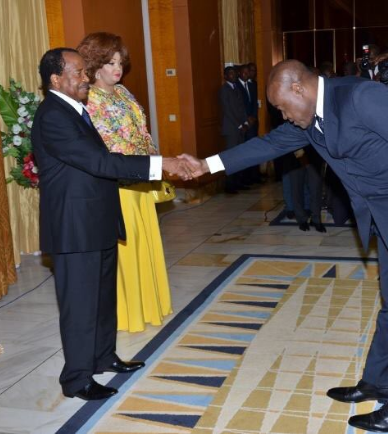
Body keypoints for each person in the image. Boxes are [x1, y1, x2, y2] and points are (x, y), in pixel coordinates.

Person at [178, 60, 388, 432]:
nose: (284, 116)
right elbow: (269, 144)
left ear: (299, 88)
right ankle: (379, 382)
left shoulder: (361, 97)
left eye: (283, 107)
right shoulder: (311, 119)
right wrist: (207, 164)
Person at [32, 48, 191, 401]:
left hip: (97, 219)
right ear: (56, 79)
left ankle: (104, 357)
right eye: (77, 72)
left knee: (103, 298)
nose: (85, 78)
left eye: (84, 71)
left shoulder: (75, 110)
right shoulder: (53, 116)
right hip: (75, 228)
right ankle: (77, 379)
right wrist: (160, 164)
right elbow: (99, 163)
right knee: (80, 305)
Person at [77, 32, 172, 333]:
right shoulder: (89, 99)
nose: (117, 68)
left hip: (139, 178)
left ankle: (149, 305)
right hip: (117, 185)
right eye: (110, 63)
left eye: (120, 62)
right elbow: (106, 145)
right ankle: (127, 312)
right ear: (95, 65)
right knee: (127, 247)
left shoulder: (123, 92)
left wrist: (154, 158)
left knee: (144, 243)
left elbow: (142, 131)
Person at [219, 66, 250, 193]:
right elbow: (228, 110)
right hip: (231, 129)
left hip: (241, 127)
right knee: (231, 157)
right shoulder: (224, 90)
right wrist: (239, 125)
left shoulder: (236, 87)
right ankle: (230, 185)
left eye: (234, 73)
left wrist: (245, 122)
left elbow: (241, 107)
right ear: (225, 76)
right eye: (230, 74)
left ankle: (239, 182)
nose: (234, 76)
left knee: (240, 156)